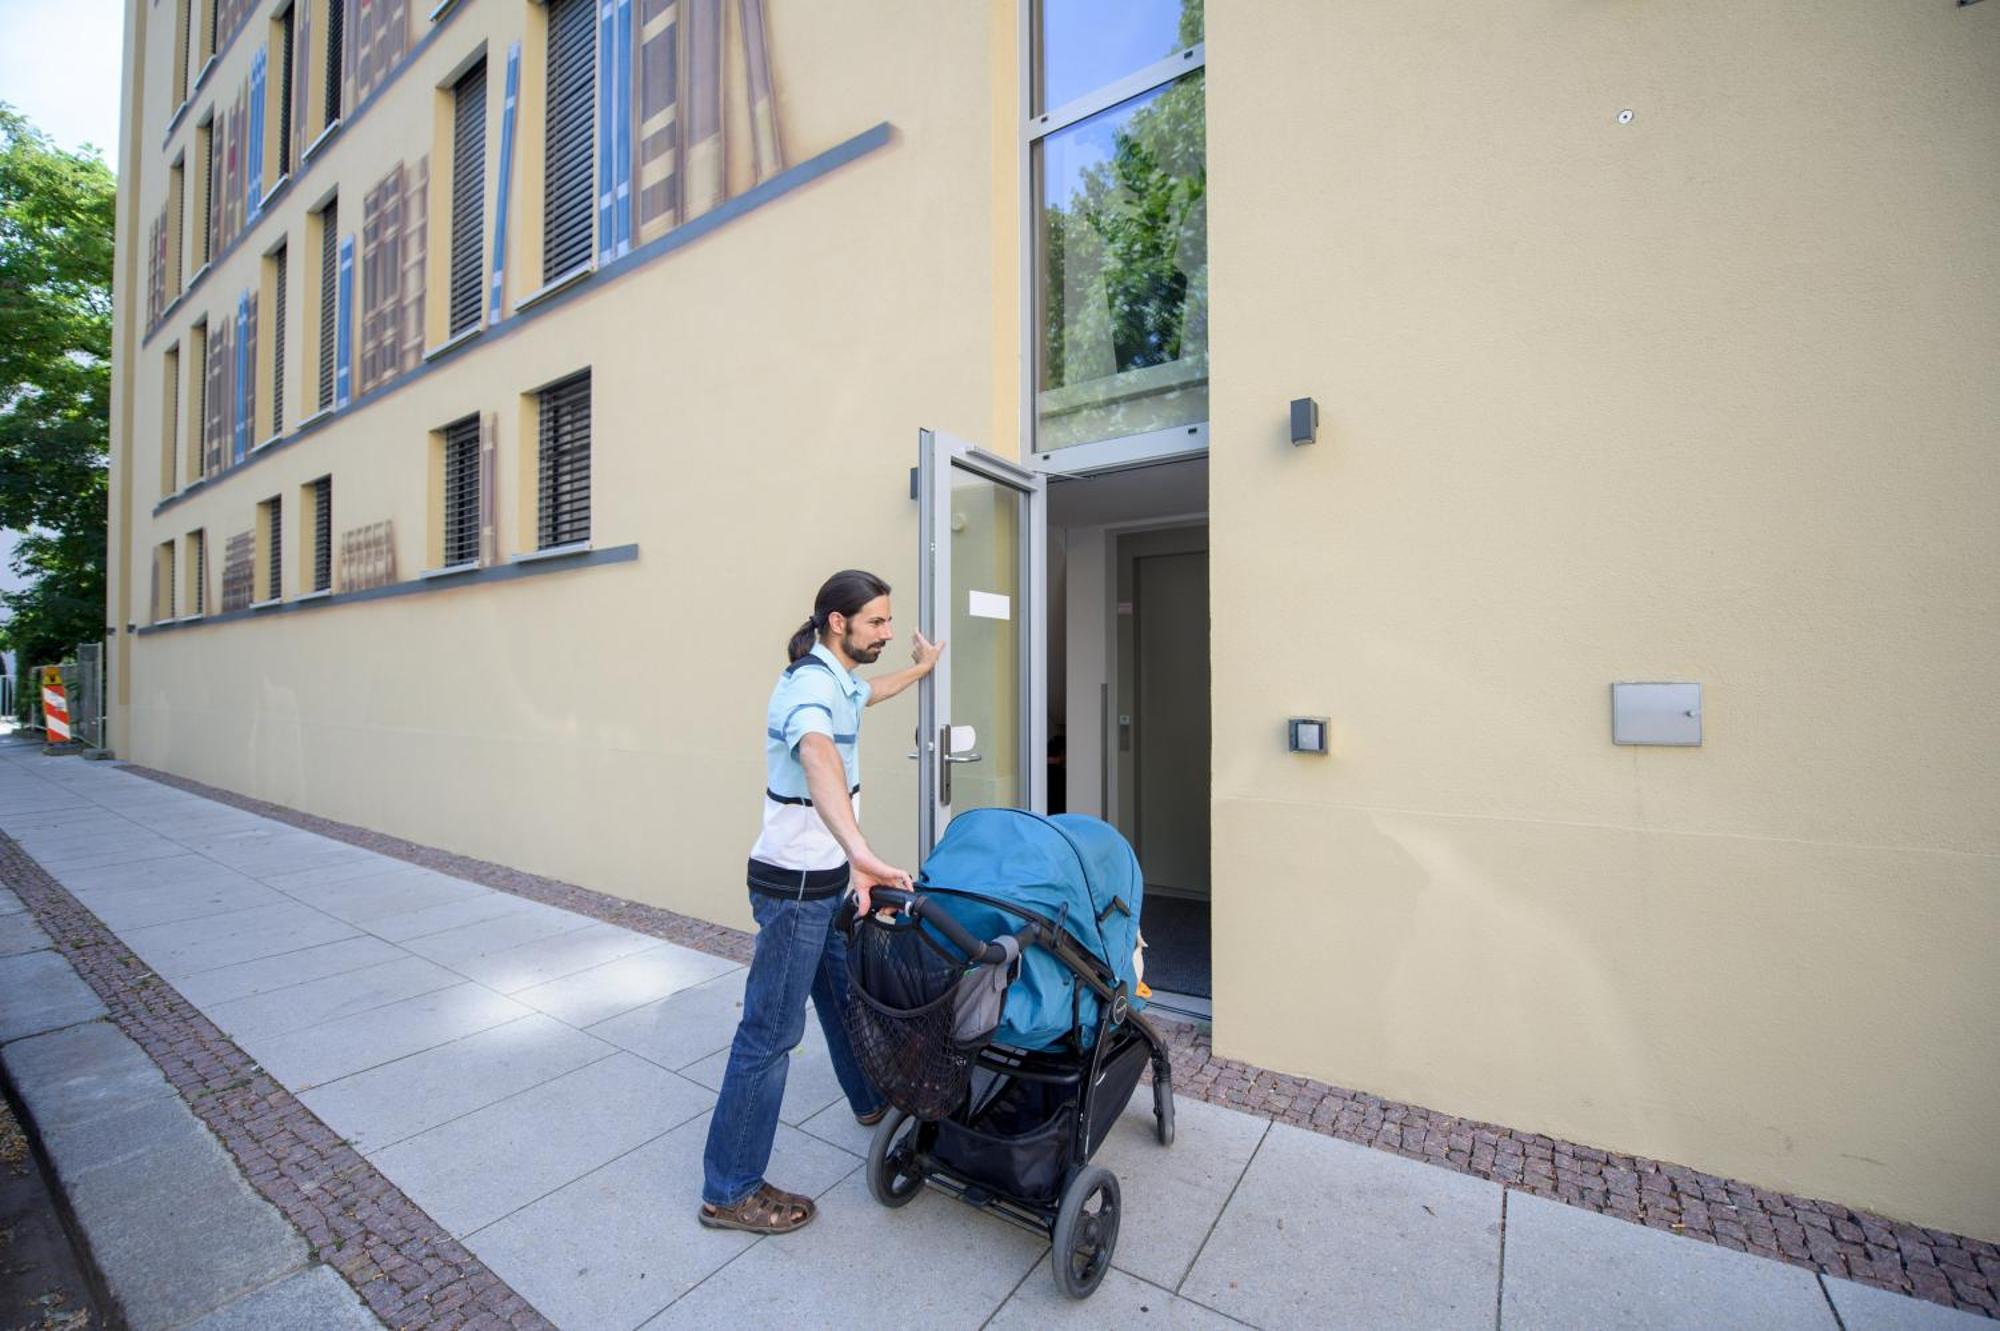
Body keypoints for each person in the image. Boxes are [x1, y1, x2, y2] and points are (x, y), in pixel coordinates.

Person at [699, 569, 944, 1234]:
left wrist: (922, 671)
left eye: (890, 621)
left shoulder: (836, 678)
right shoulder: (809, 685)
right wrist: (860, 849)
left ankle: (871, 1099)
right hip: (798, 889)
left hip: (824, 879)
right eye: (877, 623)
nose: (889, 632)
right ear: (839, 622)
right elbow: (816, 754)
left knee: (841, 994)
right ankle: (730, 1187)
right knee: (769, 1037)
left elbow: (870, 693)